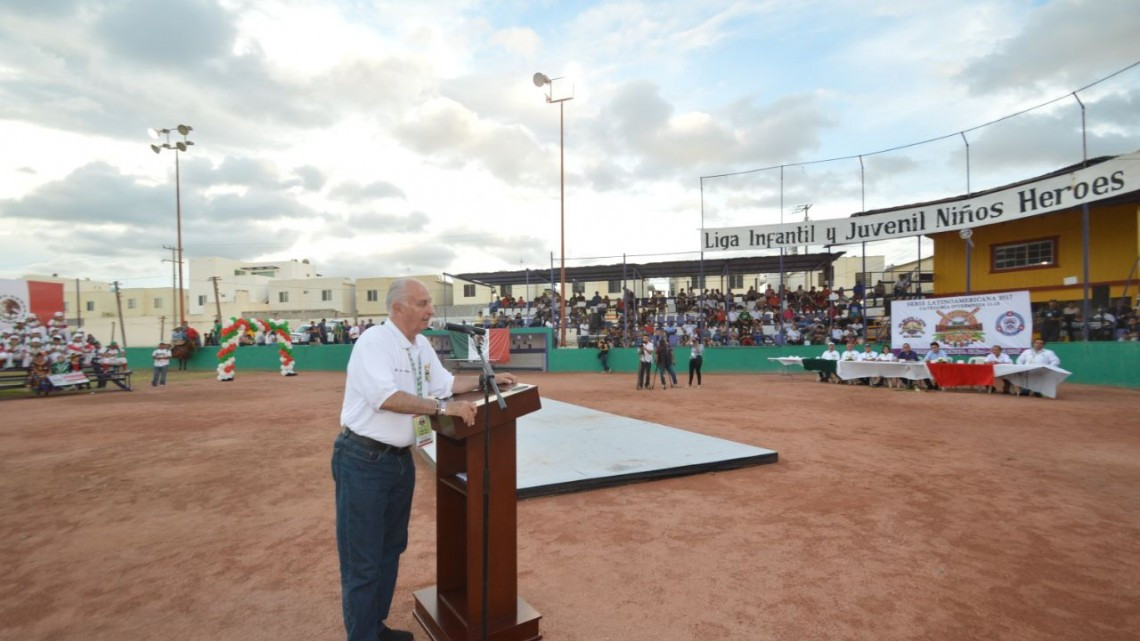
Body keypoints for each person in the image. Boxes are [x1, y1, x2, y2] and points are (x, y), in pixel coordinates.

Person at [333, 277, 517, 641]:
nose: (431, 310)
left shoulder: (420, 347)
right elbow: (385, 397)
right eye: (423, 303)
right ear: (398, 307)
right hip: (363, 460)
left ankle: (375, 628)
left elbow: (446, 384)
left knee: (390, 550)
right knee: (364, 558)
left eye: (430, 303)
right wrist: (443, 407)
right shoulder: (375, 342)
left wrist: (489, 380)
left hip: (400, 461)